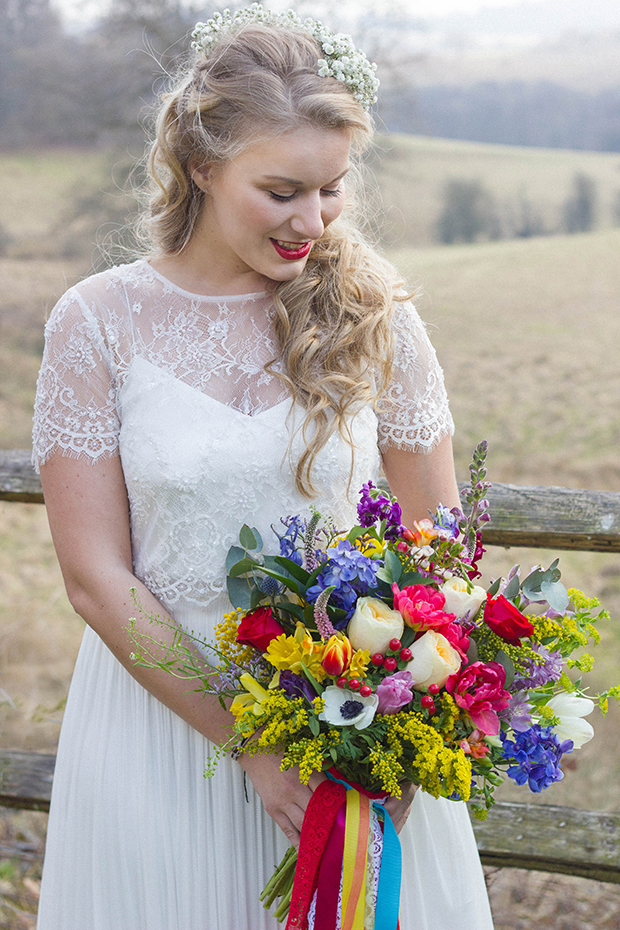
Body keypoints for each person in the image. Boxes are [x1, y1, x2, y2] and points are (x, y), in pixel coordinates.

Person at [32, 6, 495, 929]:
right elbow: (93, 575)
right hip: (162, 735)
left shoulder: (379, 317)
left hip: (355, 736)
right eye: (282, 190)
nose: (311, 223)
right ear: (201, 165)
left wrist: (398, 732)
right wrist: (247, 741)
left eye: (331, 191)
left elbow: (440, 543)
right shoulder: (97, 321)